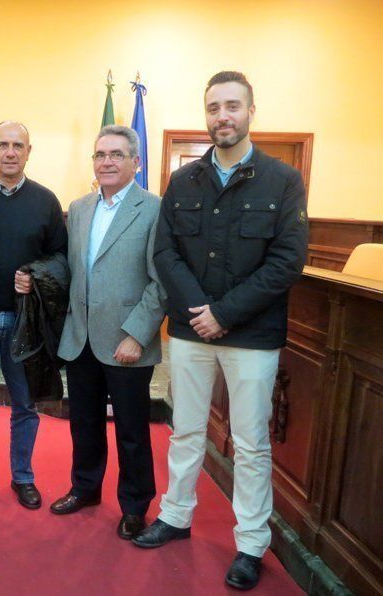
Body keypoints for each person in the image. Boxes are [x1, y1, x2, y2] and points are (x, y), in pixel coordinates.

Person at [133, 71, 308, 591]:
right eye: (213, 108)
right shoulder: (184, 180)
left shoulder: (283, 180)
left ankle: (251, 543)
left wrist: (225, 313)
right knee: (185, 430)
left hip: (251, 336)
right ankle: (175, 516)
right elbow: (165, 252)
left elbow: (287, 261)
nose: (222, 117)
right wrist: (196, 308)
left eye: (232, 106)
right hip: (189, 332)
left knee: (251, 444)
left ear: (251, 111)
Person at [52, 125, 165, 542]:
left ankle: (135, 506)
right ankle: (85, 488)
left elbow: (161, 280)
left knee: (133, 432)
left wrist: (137, 334)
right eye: (100, 155)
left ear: (135, 161)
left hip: (126, 342)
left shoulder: (153, 209)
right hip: (80, 337)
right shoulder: (79, 207)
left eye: (117, 154)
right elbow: (73, 269)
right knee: (83, 422)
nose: (107, 162)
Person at [0, 121, 66, 509]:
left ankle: (23, 476)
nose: (10, 152)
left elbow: (60, 259)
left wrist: (35, 276)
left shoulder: (46, 201)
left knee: (25, 404)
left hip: (26, 321)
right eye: (3, 144)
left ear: (28, 151)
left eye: (17, 145)